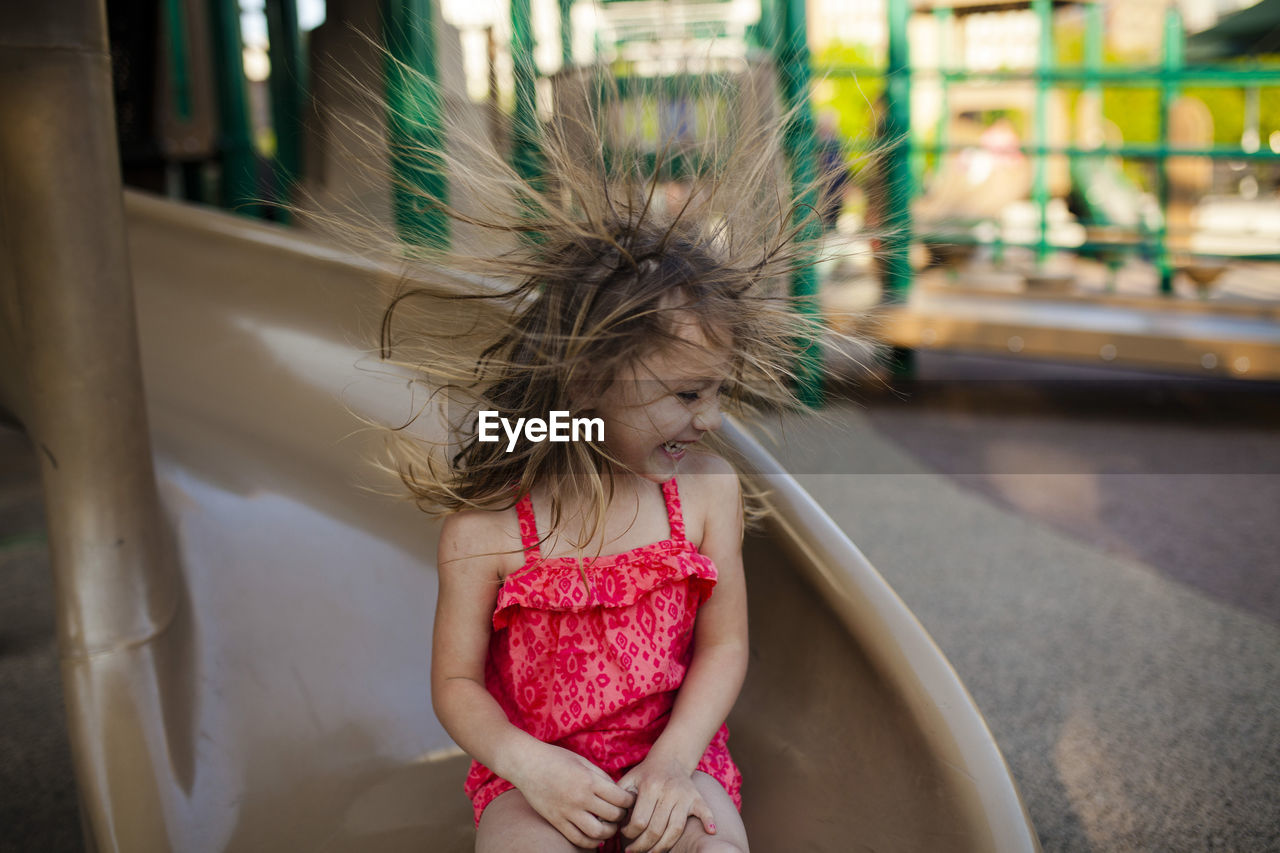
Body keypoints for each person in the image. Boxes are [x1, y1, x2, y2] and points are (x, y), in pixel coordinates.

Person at [374, 71, 831, 853]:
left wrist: (674, 764)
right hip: (537, 774)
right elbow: (456, 684)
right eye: (686, 393)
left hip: (673, 756)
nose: (712, 417)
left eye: (715, 390)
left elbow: (724, 645)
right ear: (586, 382)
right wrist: (530, 765)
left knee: (712, 847)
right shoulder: (489, 526)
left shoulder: (707, 493)